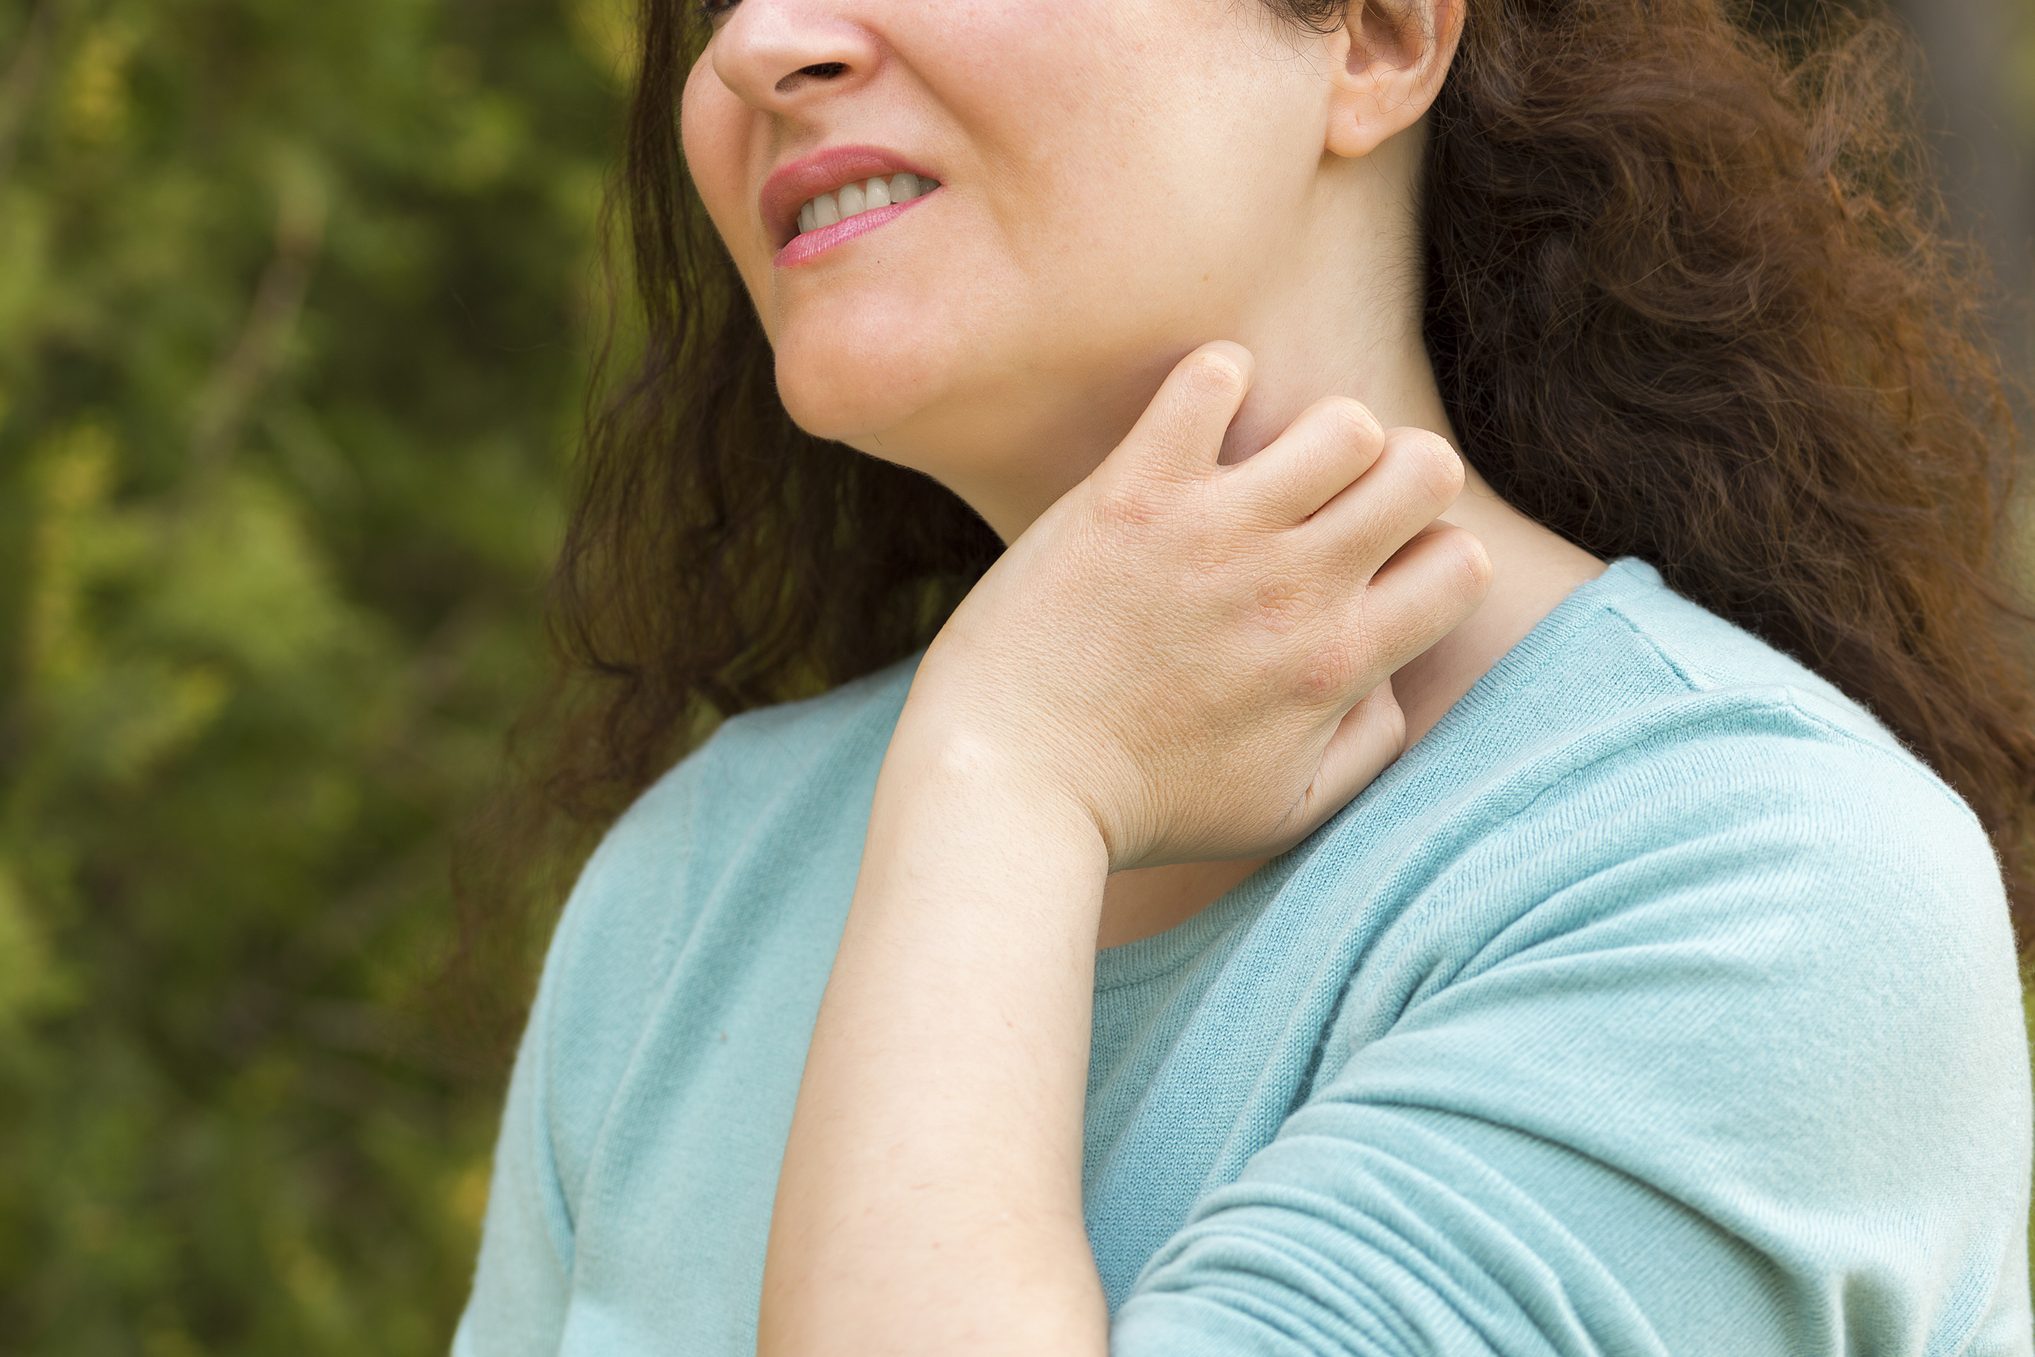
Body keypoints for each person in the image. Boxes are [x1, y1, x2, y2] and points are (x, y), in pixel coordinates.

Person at [449, 0, 2035, 1352]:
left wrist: (1010, 781)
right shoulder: (695, 882)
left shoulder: (1767, 888)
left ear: (1375, 31)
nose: (753, 47)